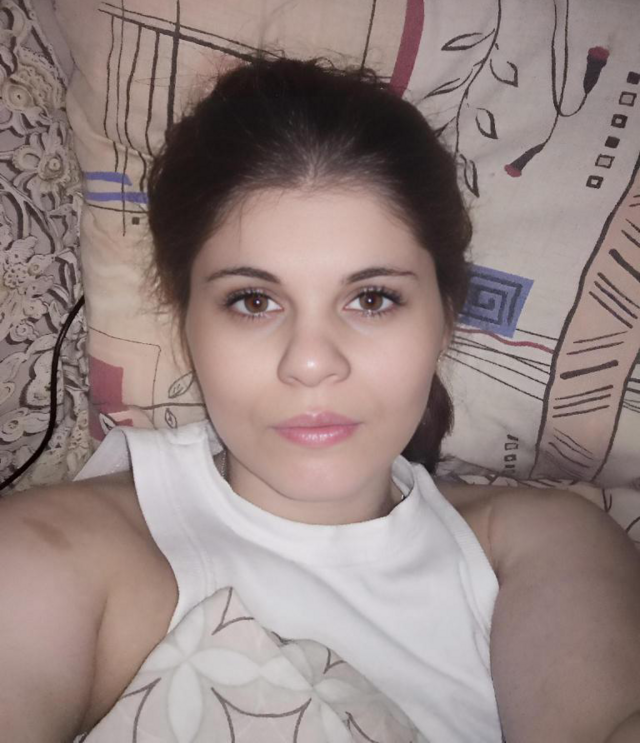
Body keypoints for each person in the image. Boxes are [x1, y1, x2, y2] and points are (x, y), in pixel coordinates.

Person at [1, 57, 639, 743]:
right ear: (186, 322)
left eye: (372, 299)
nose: (310, 362)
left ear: (445, 319)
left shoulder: (541, 545)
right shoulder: (47, 558)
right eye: (253, 301)